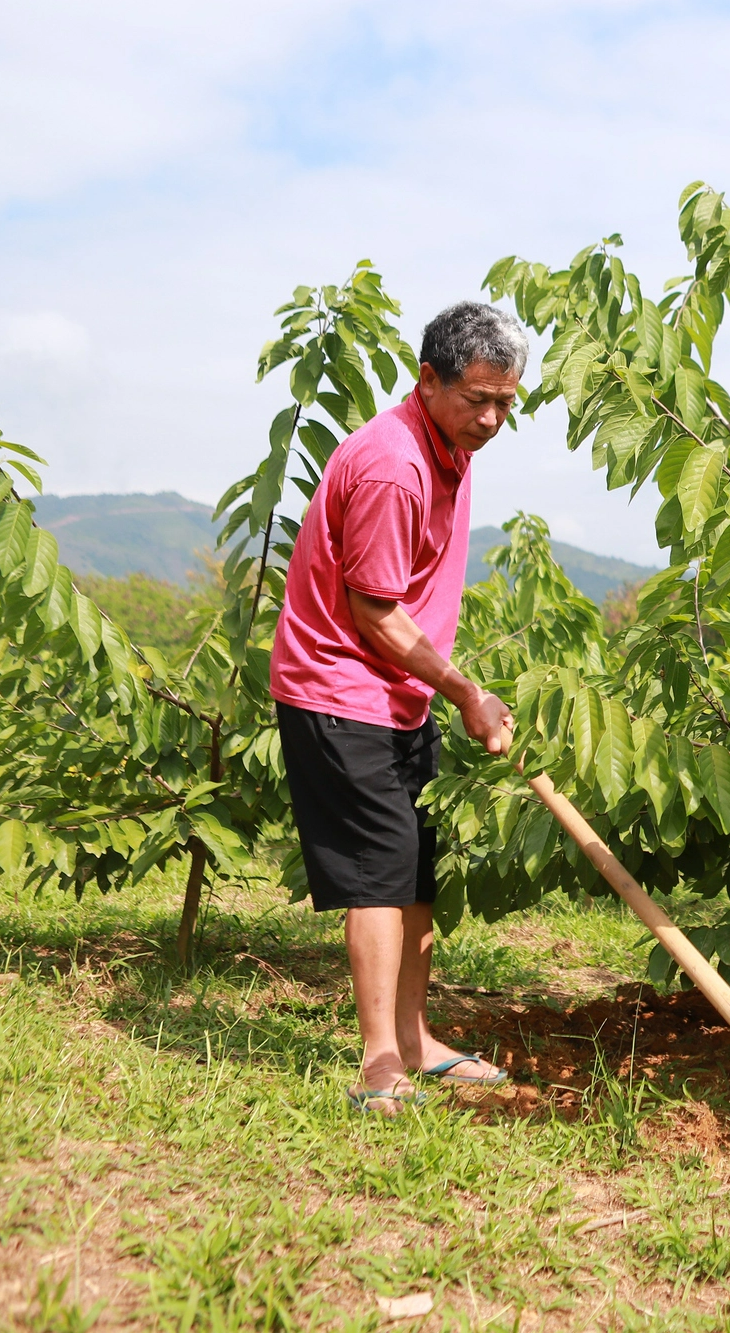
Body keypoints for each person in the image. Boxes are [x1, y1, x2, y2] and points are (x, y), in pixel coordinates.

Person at [269, 301, 525, 1115]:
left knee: (416, 868)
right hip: (341, 687)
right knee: (380, 871)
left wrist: (440, 688)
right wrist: (468, 693)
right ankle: (380, 1060)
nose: (489, 418)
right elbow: (375, 612)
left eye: (504, 402)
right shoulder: (394, 466)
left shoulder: (449, 444)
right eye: (475, 399)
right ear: (427, 379)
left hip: (399, 691)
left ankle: (416, 1039)